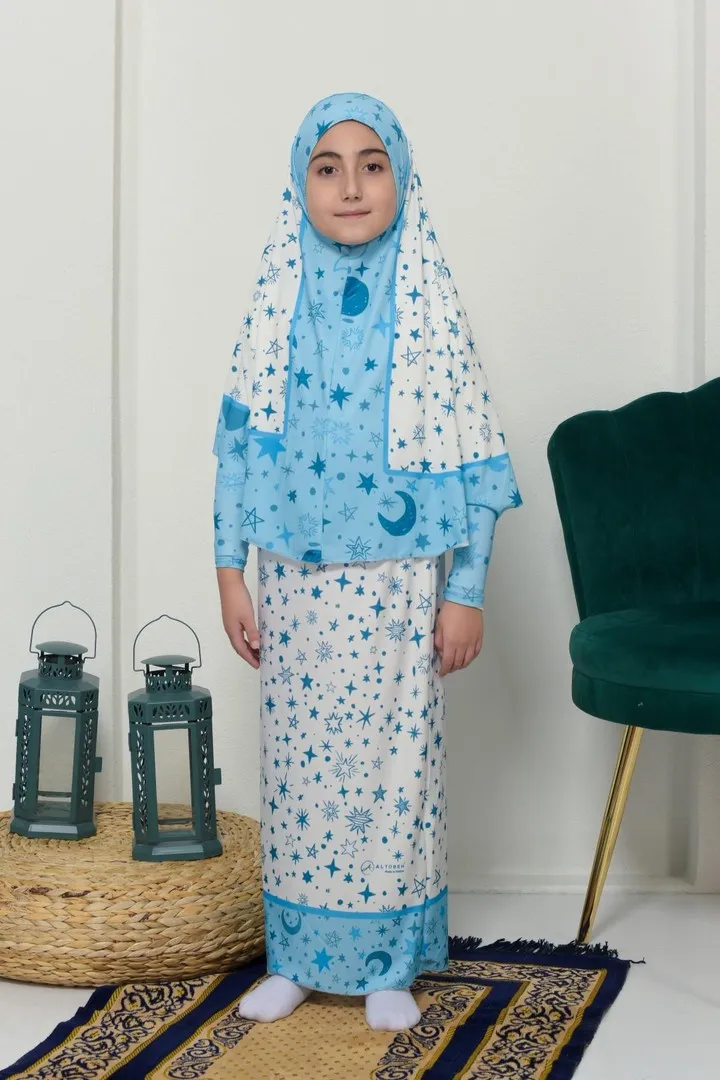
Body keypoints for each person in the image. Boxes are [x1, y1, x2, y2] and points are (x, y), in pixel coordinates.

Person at [213, 92, 521, 1032]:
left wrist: (465, 589)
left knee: (393, 767)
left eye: (372, 164)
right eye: (328, 167)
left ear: (401, 179)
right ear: (300, 184)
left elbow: (473, 451)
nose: (351, 186)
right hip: (293, 574)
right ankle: (298, 958)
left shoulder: (427, 301)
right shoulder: (278, 301)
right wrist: (229, 569)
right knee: (300, 776)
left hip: (399, 576)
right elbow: (238, 442)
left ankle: (389, 961)